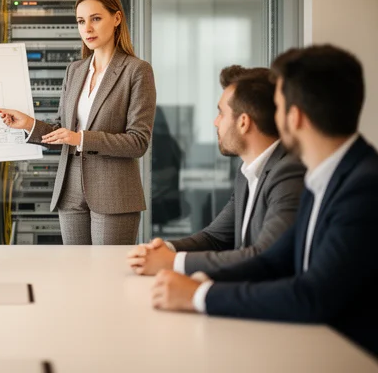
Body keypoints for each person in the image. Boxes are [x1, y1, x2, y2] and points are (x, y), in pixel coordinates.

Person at [151, 45, 378, 357]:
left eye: (279, 106)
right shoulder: (321, 177)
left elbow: (313, 295)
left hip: (346, 356)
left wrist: (201, 295)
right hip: (309, 343)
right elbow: (273, 260)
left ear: (295, 117)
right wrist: (201, 280)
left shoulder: (364, 186)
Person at [0, 0, 157, 244]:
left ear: (116, 19)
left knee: (106, 275)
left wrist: (81, 139)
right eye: (81, 21)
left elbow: (137, 142)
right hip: (70, 189)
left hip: (112, 193)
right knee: (77, 273)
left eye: (96, 18)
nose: (87, 29)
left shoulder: (136, 71)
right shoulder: (75, 70)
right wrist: (28, 124)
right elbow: (63, 130)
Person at [127, 66, 305, 275]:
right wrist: (166, 249)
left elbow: (264, 256)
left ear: (244, 122)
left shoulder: (288, 173)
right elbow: (216, 238)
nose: (215, 122)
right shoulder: (247, 171)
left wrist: (173, 262)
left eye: (221, 113)